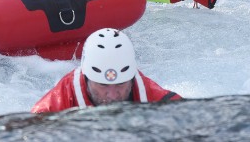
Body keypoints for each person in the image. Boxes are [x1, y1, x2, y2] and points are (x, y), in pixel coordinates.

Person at [31, 28, 182, 113]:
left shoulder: (158, 101)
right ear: (87, 79)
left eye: (120, 85)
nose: (112, 95)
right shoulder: (54, 107)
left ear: (132, 79)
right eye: (103, 85)